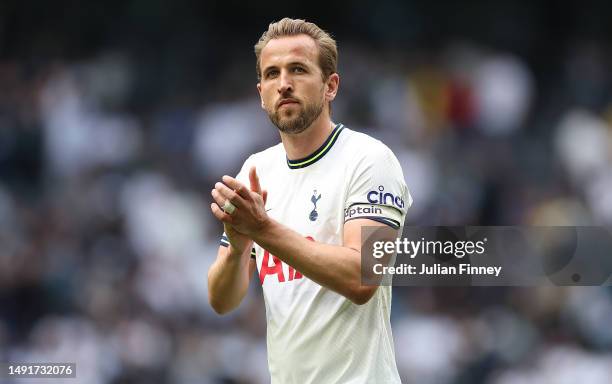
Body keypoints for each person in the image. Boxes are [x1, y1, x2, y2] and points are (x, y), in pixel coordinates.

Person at [207, 18, 412, 383]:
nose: (284, 83)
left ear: (330, 85)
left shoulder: (370, 160)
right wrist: (238, 247)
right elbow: (222, 301)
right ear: (260, 93)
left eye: (298, 69)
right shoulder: (256, 170)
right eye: (272, 74)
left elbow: (363, 278)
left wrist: (262, 229)